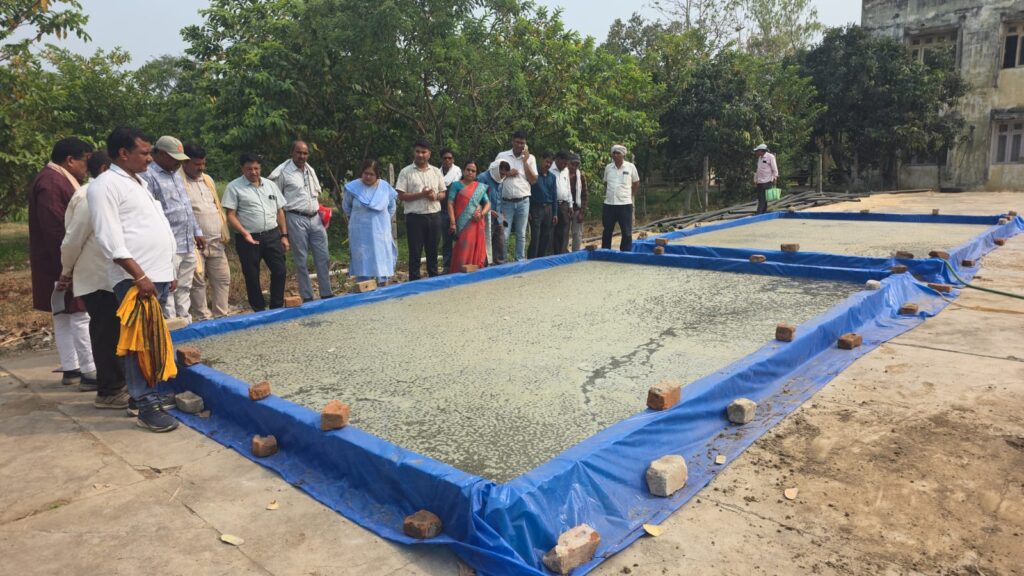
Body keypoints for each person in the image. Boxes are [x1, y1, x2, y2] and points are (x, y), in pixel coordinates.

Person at [88, 127, 179, 432]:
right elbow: (108, 238)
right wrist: (138, 274)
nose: (149, 158)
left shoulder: (139, 182)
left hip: (155, 275)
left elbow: (152, 226)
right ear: (123, 153)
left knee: (151, 340)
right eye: (144, 152)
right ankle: (144, 403)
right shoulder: (105, 185)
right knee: (139, 341)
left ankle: (147, 394)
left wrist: (169, 269)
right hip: (136, 279)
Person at [60, 151, 130, 409]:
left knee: (117, 332)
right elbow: (72, 240)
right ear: (104, 169)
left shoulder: (114, 193)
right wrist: (66, 271)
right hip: (98, 278)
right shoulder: (90, 196)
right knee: (106, 334)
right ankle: (108, 391)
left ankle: (120, 383)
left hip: (115, 276)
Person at [29, 137, 97, 389]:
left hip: (55, 260)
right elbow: (56, 229)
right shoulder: (52, 182)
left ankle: (72, 368)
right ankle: (89, 370)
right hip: (60, 261)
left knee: (65, 315)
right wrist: (68, 266)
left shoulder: (53, 179)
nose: (86, 169)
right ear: (70, 160)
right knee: (78, 314)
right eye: (84, 162)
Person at [141, 135, 205, 325]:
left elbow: (186, 206)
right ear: (161, 154)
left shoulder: (176, 174)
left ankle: (184, 319)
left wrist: (197, 231)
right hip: (168, 244)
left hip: (187, 241)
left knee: (185, 285)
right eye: (174, 158)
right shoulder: (148, 176)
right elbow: (150, 212)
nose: (178, 163)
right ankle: (170, 323)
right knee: (168, 287)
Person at [222, 153, 290, 312]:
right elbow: (230, 215)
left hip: (272, 235)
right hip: (248, 238)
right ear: (242, 168)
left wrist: (284, 235)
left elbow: (280, 211)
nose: (253, 172)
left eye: (256, 168)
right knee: (252, 275)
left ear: (260, 168)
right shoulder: (234, 187)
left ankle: (276, 306)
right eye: (249, 169)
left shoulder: (270, 185)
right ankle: (258, 309)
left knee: (280, 270)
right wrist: (244, 233)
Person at [268, 141, 333, 301]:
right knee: (301, 259)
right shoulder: (283, 173)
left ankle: (326, 293)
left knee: (323, 257)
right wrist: (282, 230)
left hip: (315, 218)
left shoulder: (310, 170)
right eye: (298, 152)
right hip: (295, 218)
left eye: (305, 153)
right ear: (292, 153)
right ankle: (307, 296)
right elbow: (276, 201)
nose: (302, 156)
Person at [181, 143, 231, 320]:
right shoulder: (179, 181)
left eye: (203, 163)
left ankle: (221, 315)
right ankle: (203, 318)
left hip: (216, 241)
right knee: (197, 282)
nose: (201, 167)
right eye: (197, 164)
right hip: (194, 244)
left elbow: (215, 206)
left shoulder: (207, 180)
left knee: (223, 279)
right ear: (185, 162)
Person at [396, 139, 446, 281]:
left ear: (429, 154)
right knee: (415, 252)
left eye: (423, 152)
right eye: (417, 151)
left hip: (434, 216)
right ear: (414, 153)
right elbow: (401, 195)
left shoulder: (436, 171)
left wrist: (435, 196)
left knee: (433, 251)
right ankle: (414, 282)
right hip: (415, 217)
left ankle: (434, 281)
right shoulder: (406, 172)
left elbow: (443, 193)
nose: (420, 155)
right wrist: (421, 195)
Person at [343, 159, 398, 285]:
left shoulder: (385, 188)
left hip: (380, 233)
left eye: (371, 174)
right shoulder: (352, 188)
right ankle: (364, 287)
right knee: (363, 263)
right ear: (361, 173)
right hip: (360, 233)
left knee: (381, 260)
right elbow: (346, 207)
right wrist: (361, 219)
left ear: (377, 175)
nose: (368, 177)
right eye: (365, 173)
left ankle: (383, 286)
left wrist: (380, 221)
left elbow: (391, 208)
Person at [494, 131, 538, 262]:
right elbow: (493, 175)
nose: (519, 145)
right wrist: (507, 173)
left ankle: (520, 260)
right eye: (517, 142)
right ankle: (503, 261)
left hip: (524, 202)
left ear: (526, 144)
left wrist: (525, 162)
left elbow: (533, 180)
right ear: (512, 142)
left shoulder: (531, 158)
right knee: (504, 233)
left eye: (522, 143)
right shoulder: (502, 156)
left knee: (521, 233)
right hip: (504, 202)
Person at [447, 161, 490, 271]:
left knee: (475, 247)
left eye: (473, 171)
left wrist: (481, 214)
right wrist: (452, 223)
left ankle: (474, 273)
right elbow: (450, 203)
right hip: (461, 225)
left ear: (476, 173)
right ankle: (458, 273)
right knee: (462, 249)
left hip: (476, 224)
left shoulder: (479, 187)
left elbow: (488, 203)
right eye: (468, 170)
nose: (470, 172)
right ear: (463, 171)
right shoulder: (456, 185)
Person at [601, 144, 640, 252]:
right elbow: (606, 183)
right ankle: (605, 252)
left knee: (626, 232)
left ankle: (625, 253)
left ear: (623, 155)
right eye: (613, 153)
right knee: (607, 231)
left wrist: (629, 195)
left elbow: (636, 183)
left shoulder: (630, 167)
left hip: (625, 204)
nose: (615, 155)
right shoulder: (608, 168)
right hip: (609, 204)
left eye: (618, 153)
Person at [527, 152, 558, 259]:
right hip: (536, 208)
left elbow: (554, 195)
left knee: (546, 236)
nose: (548, 164)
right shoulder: (534, 174)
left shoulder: (552, 177)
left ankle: (541, 259)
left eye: (550, 163)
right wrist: (529, 211)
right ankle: (532, 260)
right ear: (541, 160)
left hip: (548, 209)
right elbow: (528, 192)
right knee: (535, 237)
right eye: (546, 162)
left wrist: (555, 213)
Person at [480, 161, 509, 265]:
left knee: (500, 242)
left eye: (505, 174)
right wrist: (488, 210)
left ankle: (500, 265)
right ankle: (484, 264)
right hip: (485, 216)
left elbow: (499, 198)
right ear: (496, 169)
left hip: (498, 216)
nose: (502, 176)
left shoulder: (501, 180)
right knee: (485, 242)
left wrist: (503, 215)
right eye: (501, 173)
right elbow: (477, 198)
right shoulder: (483, 178)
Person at [439, 148, 462, 273]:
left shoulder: (458, 172)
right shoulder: (437, 173)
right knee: (446, 240)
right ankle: (447, 267)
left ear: (453, 160)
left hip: (457, 211)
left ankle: (460, 264)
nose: (447, 160)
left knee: (460, 238)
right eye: (445, 158)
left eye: (450, 158)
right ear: (441, 159)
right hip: (442, 211)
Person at [551, 151, 573, 254]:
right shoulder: (550, 169)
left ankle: (562, 252)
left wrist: (570, 204)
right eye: (563, 163)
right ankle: (553, 253)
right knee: (552, 230)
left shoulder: (566, 170)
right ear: (557, 159)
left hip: (564, 204)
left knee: (564, 230)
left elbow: (568, 187)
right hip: (552, 204)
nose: (565, 166)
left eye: (566, 164)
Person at [568, 153, 589, 252]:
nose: (574, 167)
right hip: (565, 209)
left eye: (576, 165)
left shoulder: (581, 177)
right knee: (564, 234)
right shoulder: (563, 175)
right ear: (568, 163)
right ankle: (563, 253)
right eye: (572, 164)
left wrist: (582, 212)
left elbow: (584, 195)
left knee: (577, 234)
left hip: (577, 209)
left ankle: (575, 253)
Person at [753, 143, 779, 215]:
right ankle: (763, 212)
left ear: (761, 151)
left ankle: (759, 213)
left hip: (767, 181)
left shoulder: (770, 157)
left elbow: (775, 169)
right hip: (760, 181)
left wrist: (775, 178)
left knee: (762, 198)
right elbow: (758, 170)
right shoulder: (760, 158)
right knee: (762, 198)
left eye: (757, 151)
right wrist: (755, 180)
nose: (756, 152)